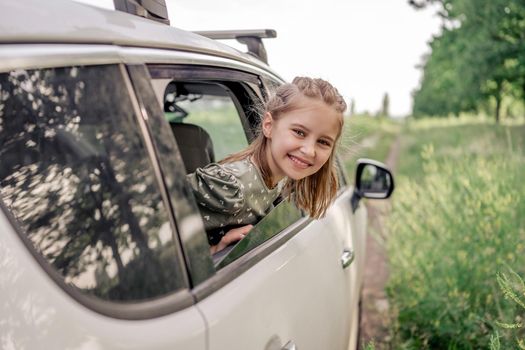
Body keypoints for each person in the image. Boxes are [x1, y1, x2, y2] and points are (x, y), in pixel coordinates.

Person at [187, 76, 347, 254]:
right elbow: (154, 223)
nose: (309, 151)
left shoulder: (279, 182)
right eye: (299, 132)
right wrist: (214, 250)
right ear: (269, 125)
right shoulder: (231, 186)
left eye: (323, 142)